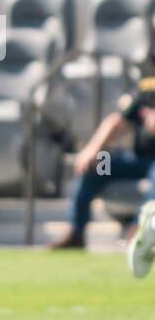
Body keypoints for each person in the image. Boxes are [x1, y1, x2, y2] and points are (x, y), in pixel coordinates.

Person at [53, 77, 155, 251]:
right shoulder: (149, 88)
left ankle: (139, 231)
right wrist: (92, 150)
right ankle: (76, 231)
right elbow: (117, 121)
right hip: (138, 161)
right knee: (97, 166)